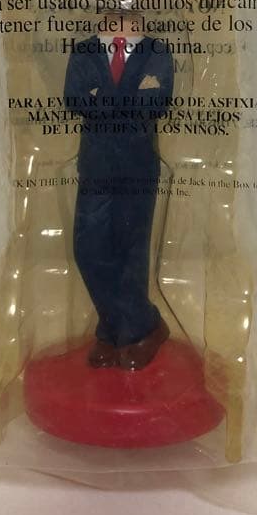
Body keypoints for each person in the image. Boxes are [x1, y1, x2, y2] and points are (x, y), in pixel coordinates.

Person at [64, 26, 173, 369]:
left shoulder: (156, 51)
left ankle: (117, 333)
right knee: (88, 249)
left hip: (138, 165)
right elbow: (74, 99)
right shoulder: (84, 50)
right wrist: (128, 100)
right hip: (95, 165)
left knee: (131, 250)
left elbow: (156, 102)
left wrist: (101, 98)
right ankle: (142, 323)